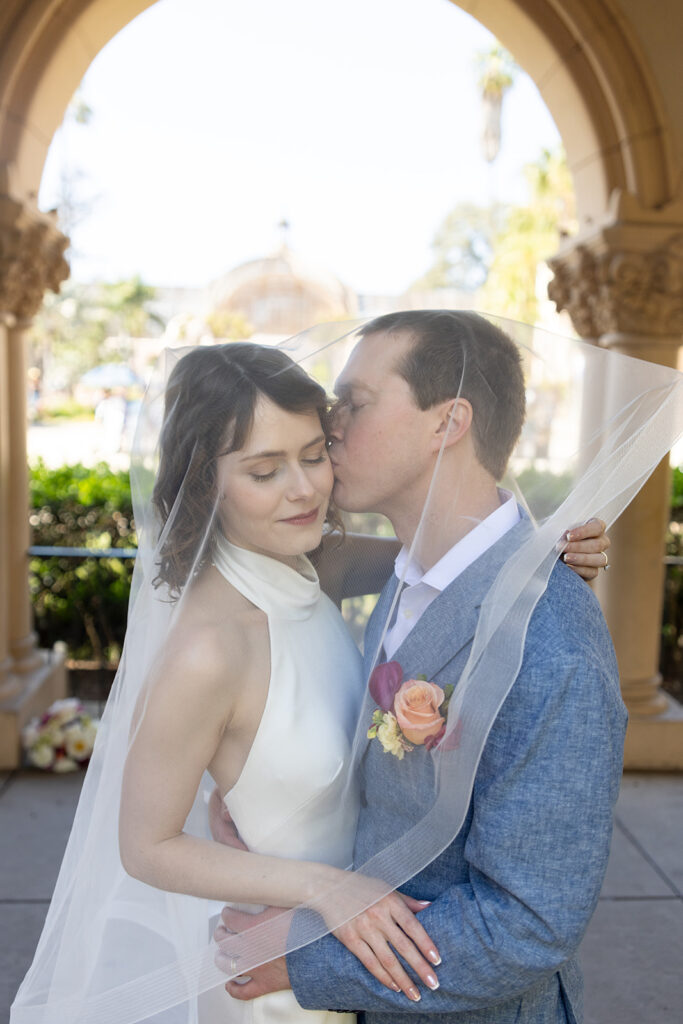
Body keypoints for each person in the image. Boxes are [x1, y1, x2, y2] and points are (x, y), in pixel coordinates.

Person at [9, 324, 615, 1024]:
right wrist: (310, 879)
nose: (306, 485)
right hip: (286, 969)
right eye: (264, 471)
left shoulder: (326, 565)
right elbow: (146, 844)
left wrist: (548, 552)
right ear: (209, 484)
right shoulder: (212, 644)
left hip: (374, 972)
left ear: (449, 422)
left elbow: (460, 561)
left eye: (318, 444)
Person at [214, 311, 630, 1023]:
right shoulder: (406, 576)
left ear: (447, 423)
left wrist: (300, 957)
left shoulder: (551, 643)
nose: (329, 424)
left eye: (356, 402)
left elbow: (528, 924)